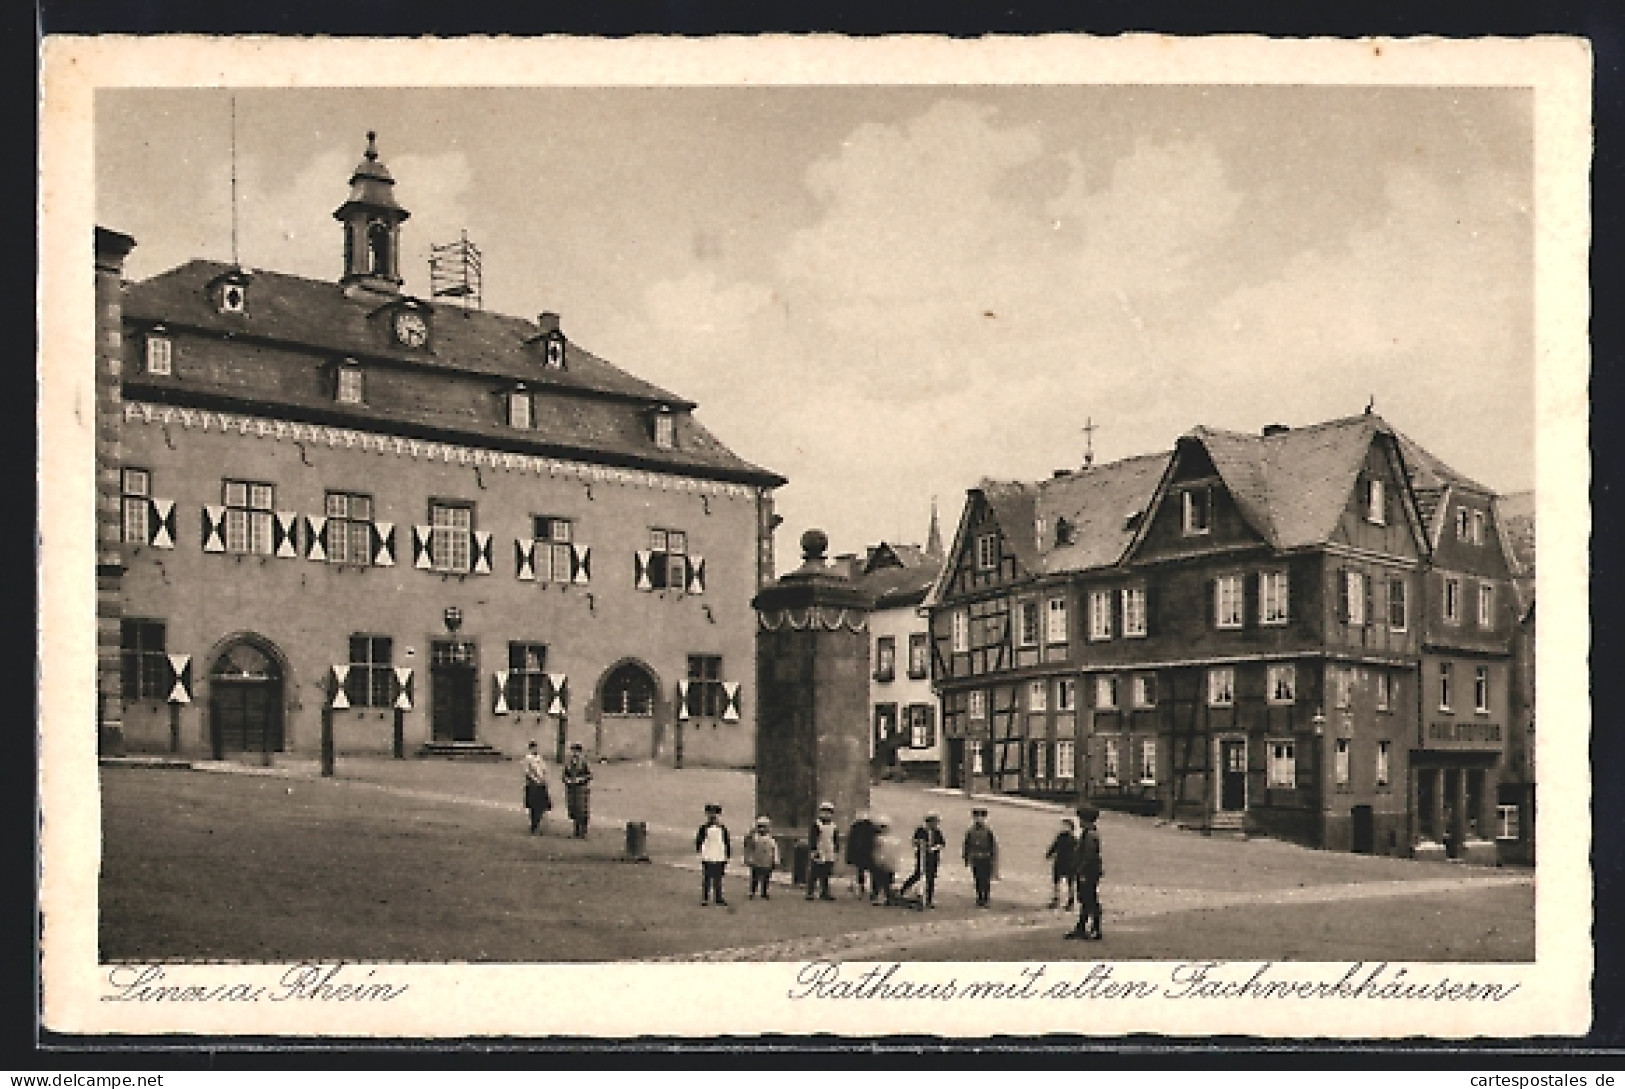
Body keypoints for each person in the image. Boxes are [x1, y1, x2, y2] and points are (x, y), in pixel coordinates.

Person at [1066, 806, 1104, 940]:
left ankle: (1095, 928)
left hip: (1088, 872)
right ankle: (1082, 927)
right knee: (1086, 900)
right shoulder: (1089, 833)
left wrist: (1081, 871)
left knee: (1090, 900)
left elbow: (1089, 856)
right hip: (1089, 871)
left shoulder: (1090, 835)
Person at [898, 811, 945, 908]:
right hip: (922, 857)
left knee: (931, 878)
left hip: (933, 858)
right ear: (929, 822)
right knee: (918, 874)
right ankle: (903, 890)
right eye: (935, 822)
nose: (936, 824)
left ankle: (929, 899)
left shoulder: (937, 832)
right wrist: (920, 844)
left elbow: (942, 843)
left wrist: (934, 848)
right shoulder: (920, 830)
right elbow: (914, 841)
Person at [695, 803, 731, 907]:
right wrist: (701, 851)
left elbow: (726, 841)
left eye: (715, 814)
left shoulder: (723, 828)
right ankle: (705, 898)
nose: (713, 816)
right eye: (710, 814)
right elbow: (699, 841)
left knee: (718, 878)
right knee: (707, 878)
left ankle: (718, 897)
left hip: (719, 855)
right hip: (708, 855)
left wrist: (727, 854)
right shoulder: (704, 828)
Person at [962, 805, 998, 908]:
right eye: (976, 816)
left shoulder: (988, 831)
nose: (979, 819)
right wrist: (966, 857)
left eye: (981, 816)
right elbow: (966, 844)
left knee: (985, 879)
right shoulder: (970, 831)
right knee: (977, 878)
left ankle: (986, 898)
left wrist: (993, 859)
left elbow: (992, 846)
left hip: (985, 858)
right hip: (975, 858)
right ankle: (979, 898)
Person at [805, 801, 841, 901]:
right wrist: (813, 850)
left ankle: (824, 892)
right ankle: (810, 892)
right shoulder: (816, 825)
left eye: (829, 812)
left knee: (826, 873)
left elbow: (835, 839)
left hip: (829, 850)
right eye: (824, 812)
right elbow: (812, 839)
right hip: (819, 850)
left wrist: (836, 851)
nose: (826, 815)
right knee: (814, 872)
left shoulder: (833, 826)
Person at [1045, 815, 1079, 910]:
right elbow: (1054, 846)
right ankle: (1057, 899)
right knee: (1058, 881)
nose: (1064, 826)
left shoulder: (1072, 838)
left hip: (1067, 862)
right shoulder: (1066, 837)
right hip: (1062, 861)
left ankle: (1069, 901)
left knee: (1069, 882)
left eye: (1066, 824)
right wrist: (1049, 853)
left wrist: (1050, 853)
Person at [868, 815, 903, 906]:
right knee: (879, 880)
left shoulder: (885, 839)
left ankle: (886, 896)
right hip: (882, 862)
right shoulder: (880, 839)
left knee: (886, 881)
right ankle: (880, 896)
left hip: (887, 862)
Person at [743, 816, 780, 900]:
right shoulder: (754, 838)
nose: (762, 829)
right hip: (757, 860)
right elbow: (749, 845)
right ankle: (752, 891)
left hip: (767, 861)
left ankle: (764, 892)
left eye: (764, 827)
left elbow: (774, 849)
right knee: (754, 877)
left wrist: (775, 859)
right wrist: (749, 858)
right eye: (760, 827)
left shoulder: (771, 839)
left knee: (766, 878)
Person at [562, 742, 593, 838]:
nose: (575, 753)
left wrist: (581, 779)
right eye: (573, 751)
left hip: (581, 789)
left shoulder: (584, 762)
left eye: (577, 751)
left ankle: (583, 831)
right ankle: (576, 830)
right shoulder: (569, 763)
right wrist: (567, 780)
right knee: (573, 809)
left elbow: (590, 775)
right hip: (571, 789)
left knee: (582, 810)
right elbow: (564, 775)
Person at [845, 810, 878, 900]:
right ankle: (871, 891)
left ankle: (865, 890)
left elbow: (851, 842)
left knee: (863, 871)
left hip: (862, 852)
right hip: (866, 852)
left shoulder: (857, 827)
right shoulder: (870, 826)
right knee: (869, 872)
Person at [522, 740, 552, 835]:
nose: (535, 749)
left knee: (542, 805)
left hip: (541, 784)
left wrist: (543, 779)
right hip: (533, 784)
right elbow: (527, 772)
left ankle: (539, 824)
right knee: (533, 806)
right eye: (533, 747)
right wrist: (535, 779)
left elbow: (544, 769)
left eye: (536, 747)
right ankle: (534, 825)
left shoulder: (539, 758)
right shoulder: (528, 758)